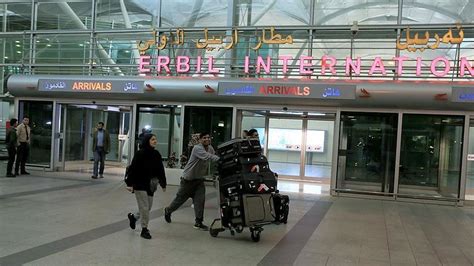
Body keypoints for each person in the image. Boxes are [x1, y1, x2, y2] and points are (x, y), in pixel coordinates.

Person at [164, 132, 219, 231]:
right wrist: (220, 159)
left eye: (208, 137)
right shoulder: (197, 148)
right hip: (188, 181)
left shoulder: (210, 148)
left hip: (199, 180)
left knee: (200, 201)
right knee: (179, 200)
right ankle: (168, 210)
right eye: (204, 138)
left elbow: (213, 157)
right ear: (200, 140)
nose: (207, 139)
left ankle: (198, 222)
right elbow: (208, 157)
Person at [125, 134, 167, 239]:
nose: (155, 141)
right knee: (144, 207)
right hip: (139, 184)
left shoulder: (156, 154)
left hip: (150, 185)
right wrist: (129, 183)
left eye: (155, 139)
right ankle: (144, 229)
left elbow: (160, 170)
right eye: (152, 139)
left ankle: (133, 218)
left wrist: (163, 183)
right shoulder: (140, 153)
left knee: (148, 207)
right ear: (147, 141)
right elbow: (133, 168)